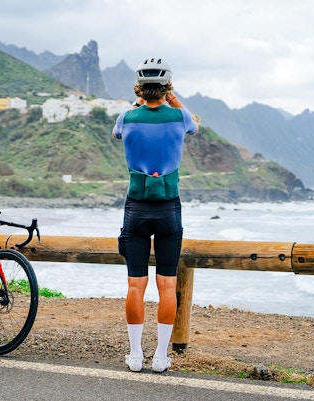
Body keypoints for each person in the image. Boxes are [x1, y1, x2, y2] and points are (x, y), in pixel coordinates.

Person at [112, 57, 199, 373]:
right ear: (168, 87)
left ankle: (135, 356)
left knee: (136, 285)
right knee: (166, 283)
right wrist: (171, 97)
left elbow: (118, 131)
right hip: (168, 210)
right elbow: (194, 125)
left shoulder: (127, 117)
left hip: (136, 208)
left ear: (139, 89)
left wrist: (141, 101)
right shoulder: (178, 117)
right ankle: (161, 357)